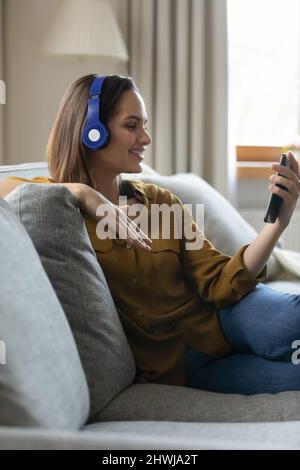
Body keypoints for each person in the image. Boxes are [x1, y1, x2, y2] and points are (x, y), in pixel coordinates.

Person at [1, 74, 300, 394]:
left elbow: (220, 281)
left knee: (292, 322)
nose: (145, 138)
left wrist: (276, 225)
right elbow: (8, 193)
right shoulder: (49, 204)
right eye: (132, 126)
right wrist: (84, 195)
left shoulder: (159, 201)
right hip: (184, 368)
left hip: (224, 318)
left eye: (144, 125)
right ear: (91, 131)